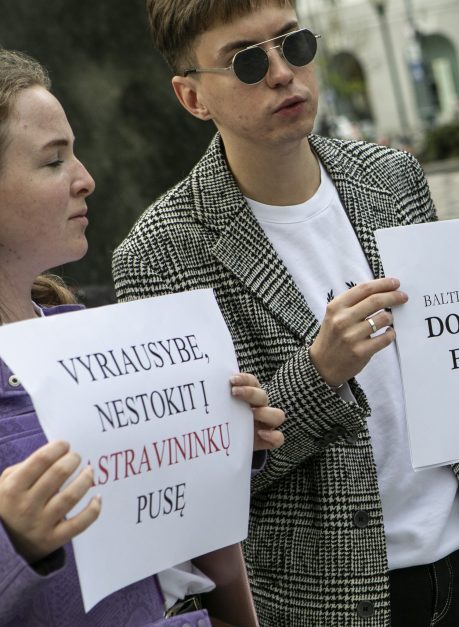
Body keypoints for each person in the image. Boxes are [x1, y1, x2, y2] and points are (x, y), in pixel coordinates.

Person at [113, 1, 459, 625]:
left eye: (292, 44)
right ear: (192, 98)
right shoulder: (160, 253)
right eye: (245, 61)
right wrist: (320, 372)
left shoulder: (391, 176)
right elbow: (202, 481)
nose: (282, 73)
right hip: (333, 595)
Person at [0, 48, 285, 626]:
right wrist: (14, 542)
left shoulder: (83, 334)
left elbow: (180, 538)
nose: (86, 179)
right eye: (54, 162)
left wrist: (222, 446)